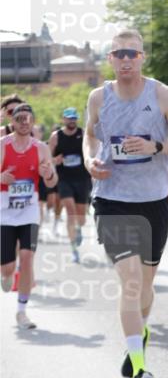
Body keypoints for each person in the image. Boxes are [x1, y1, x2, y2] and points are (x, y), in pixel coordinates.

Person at [83, 29, 168, 378]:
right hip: (112, 199)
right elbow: (89, 135)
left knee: (145, 286)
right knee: (130, 282)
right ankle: (141, 370)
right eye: (119, 54)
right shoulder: (99, 97)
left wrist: (156, 145)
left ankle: (138, 335)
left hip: (153, 201)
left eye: (132, 53)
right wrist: (90, 160)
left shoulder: (163, 95)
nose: (126, 59)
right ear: (111, 60)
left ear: (143, 57)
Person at [1, 103, 58, 328]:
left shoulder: (41, 148)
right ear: (12, 122)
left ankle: (21, 312)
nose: (24, 122)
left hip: (29, 213)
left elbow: (53, 182)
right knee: (7, 268)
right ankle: (6, 274)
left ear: (33, 122)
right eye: (20, 119)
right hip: (4, 214)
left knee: (27, 258)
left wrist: (48, 174)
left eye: (28, 119)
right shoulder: (2, 146)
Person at [49, 107, 92, 263]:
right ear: (64, 119)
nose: (72, 121)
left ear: (77, 119)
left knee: (81, 218)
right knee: (70, 210)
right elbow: (47, 159)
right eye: (69, 118)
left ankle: (79, 229)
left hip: (82, 179)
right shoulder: (56, 136)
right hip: (64, 179)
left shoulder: (83, 134)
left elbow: (91, 153)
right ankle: (74, 248)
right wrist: (55, 160)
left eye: (74, 118)